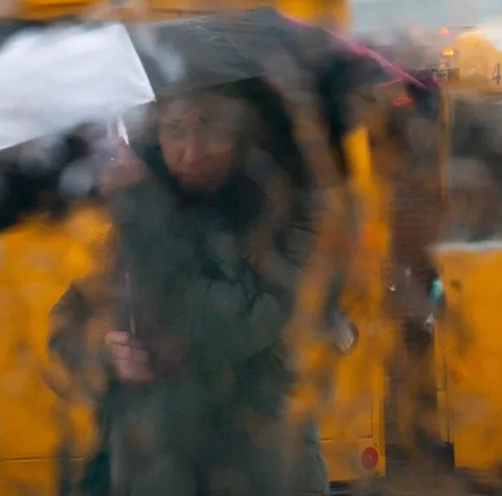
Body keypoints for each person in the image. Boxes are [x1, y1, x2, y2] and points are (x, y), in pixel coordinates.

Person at [48, 83, 329, 496]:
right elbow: (72, 321)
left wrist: (144, 218)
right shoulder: (149, 212)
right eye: (174, 129)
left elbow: (224, 327)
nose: (191, 151)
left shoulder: (290, 215)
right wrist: (108, 351)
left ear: (244, 132)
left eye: (212, 129)